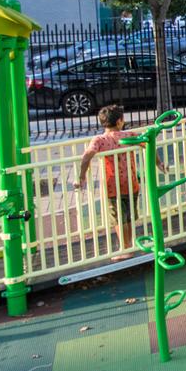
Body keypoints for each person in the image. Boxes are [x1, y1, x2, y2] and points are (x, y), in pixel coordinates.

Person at [76, 105, 140, 257]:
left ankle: (124, 249)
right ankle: (129, 244)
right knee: (129, 215)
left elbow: (88, 155)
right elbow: (147, 144)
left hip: (113, 185)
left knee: (118, 218)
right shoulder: (129, 135)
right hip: (131, 182)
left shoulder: (100, 140)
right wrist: (158, 163)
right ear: (119, 121)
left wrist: (82, 175)